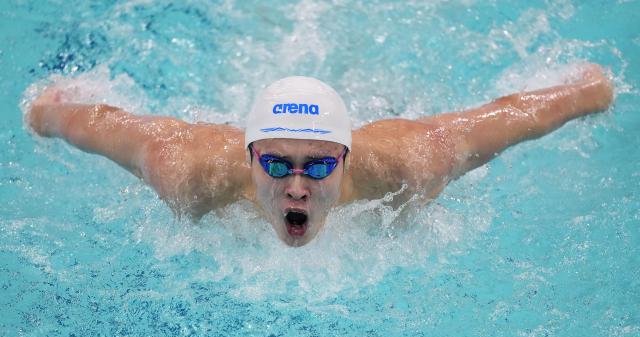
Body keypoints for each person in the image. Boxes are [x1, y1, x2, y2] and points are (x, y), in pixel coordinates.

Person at [27, 64, 614, 246]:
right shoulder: (191, 174)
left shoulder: (408, 164)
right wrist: (47, 113)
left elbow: (510, 116)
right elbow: (107, 127)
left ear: (349, 160)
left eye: (320, 165)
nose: (297, 187)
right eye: (278, 164)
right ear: (249, 155)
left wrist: (589, 91)